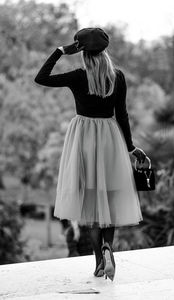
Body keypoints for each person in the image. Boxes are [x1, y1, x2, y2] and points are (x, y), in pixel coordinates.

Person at [34, 27, 147, 281]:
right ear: (105, 50)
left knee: (93, 203)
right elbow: (123, 116)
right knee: (109, 198)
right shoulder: (117, 76)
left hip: (83, 140)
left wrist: (60, 51)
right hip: (110, 138)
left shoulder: (77, 76)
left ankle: (98, 262)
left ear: (81, 52)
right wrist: (130, 148)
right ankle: (109, 248)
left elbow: (40, 78)